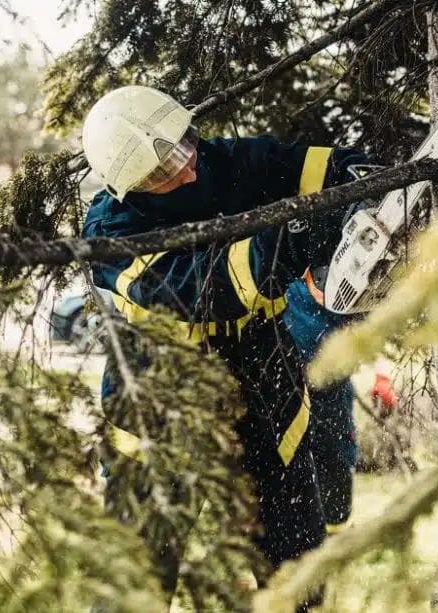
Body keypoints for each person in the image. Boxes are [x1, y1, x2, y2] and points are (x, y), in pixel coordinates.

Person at [81, 85, 374, 598]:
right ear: (129, 186)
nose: (186, 169)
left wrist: (359, 184)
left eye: (182, 147)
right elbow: (199, 287)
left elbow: (318, 166)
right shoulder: (110, 232)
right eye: (161, 172)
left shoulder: (231, 162)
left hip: (265, 383)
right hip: (162, 408)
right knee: (136, 582)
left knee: (294, 569)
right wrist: (295, 237)